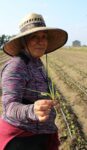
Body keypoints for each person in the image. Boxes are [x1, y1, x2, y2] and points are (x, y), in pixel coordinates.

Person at [0, 13, 68, 150]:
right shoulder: (16, 66)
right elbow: (10, 107)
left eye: (44, 37)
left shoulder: (37, 62)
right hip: (21, 139)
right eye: (34, 37)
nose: (41, 41)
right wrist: (32, 110)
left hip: (39, 135)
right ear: (24, 41)